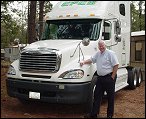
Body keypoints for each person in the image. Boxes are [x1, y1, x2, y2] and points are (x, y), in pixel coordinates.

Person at [80, 40, 119, 118]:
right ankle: (94, 114)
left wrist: (112, 77)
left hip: (109, 78)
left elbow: (116, 65)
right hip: (100, 78)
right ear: (98, 47)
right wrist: (83, 62)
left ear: (105, 45)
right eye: (100, 46)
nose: (101, 47)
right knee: (97, 96)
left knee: (110, 97)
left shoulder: (110, 53)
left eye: (102, 46)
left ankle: (110, 115)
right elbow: (91, 60)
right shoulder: (98, 54)